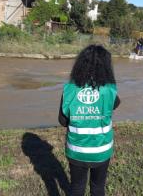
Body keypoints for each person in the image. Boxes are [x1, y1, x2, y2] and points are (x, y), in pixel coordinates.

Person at [58, 45, 120, 196]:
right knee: (98, 188)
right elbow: (115, 104)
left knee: (77, 187)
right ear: (106, 66)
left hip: (77, 150)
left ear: (80, 65)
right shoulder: (109, 89)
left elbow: (62, 120)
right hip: (102, 150)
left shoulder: (70, 89)